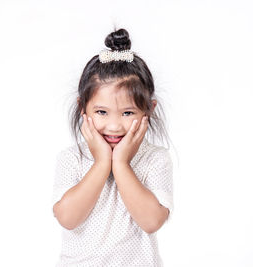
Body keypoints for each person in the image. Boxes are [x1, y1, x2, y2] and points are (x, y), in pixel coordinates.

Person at [52, 28, 174, 267]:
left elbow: (151, 221)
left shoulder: (155, 159)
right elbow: (67, 218)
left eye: (128, 112)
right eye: (101, 112)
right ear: (82, 108)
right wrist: (101, 163)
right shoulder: (72, 159)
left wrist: (120, 163)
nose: (115, 126)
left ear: (149, 109)